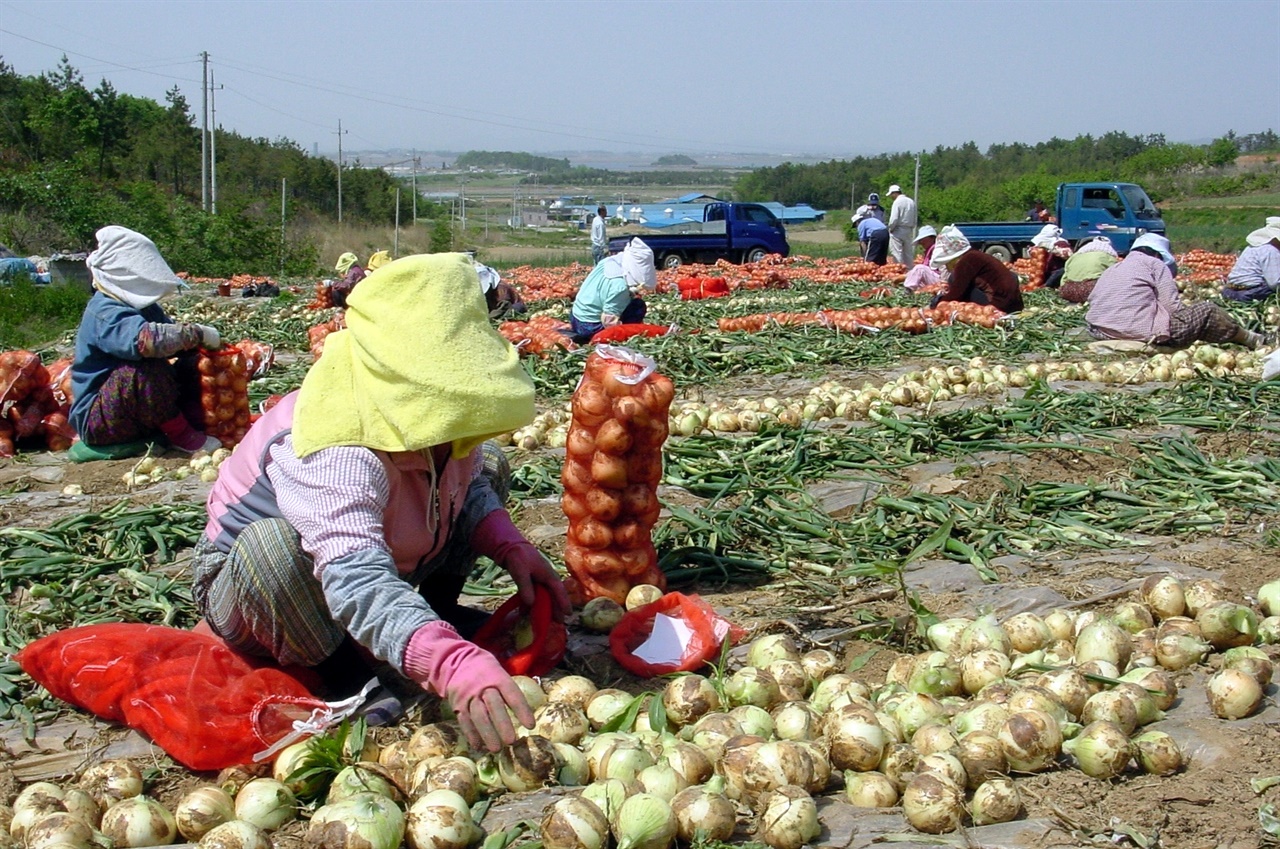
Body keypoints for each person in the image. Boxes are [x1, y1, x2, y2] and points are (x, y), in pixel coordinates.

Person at [191, 253, 571, 752]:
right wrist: (448, 663)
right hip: (265, 592)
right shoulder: (335, 441)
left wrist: (510, 546)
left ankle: (426, 616)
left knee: (490, 462)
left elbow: (467, 484)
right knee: (273, 547)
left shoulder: (428, 413)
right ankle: (342, 671)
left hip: (382, 554)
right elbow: (353, 578)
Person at [68, 226, 223, 455]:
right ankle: (181, 435)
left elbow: (173, 342)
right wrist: (197, 333)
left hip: (134, 414)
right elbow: (147, 342)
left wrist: (201, 349)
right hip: (102, 420)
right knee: (144, 366)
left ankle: (194, 420)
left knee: (192, 360)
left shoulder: (145, 308)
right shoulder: (104, 310)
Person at [1087, 233, 1270, 350]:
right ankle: (1250, 338)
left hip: (1100, 330)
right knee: (1207, 311)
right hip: (1137, 332)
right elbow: (1171, 306)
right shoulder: (1155, 264)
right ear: (1158, 254)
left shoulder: (1115, 268)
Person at [569, 238, 657, 343]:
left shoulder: (608, 262)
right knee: (638, 305)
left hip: (575, 317)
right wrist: (622, 330)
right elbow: (608, 321)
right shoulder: (620, 286)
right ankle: (626, 336)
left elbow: (605, 289)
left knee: (629, 300)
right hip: (588, 326)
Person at [928, 225, 1023, 313]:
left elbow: (957, 293)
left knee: (953, 279)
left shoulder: (967, 260)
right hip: (1013, 304)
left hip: (999, 305)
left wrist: (939, 303)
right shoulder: (976, 255)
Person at [1221, 217, 1280, 302]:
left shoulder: (1252, 247)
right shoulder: (1271, 251)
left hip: (1230, 291)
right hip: (1250, 293)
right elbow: (1275, 283)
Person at [1057, 237, 1118, 304]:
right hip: (1092, 292)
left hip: (1068, 291)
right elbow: (1116, 277)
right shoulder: (1109, 257)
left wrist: (1064, 290)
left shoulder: (1074, 257)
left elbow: (1064, 279)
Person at [886, 185, 918, 268]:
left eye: (891, 195)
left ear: (894, 193)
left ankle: (899, 269)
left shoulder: (897, 202)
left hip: (898, 229)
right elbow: (915, 217)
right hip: (909, 229)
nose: (891, 197)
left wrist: (890, 228)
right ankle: (910, 270)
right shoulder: (911, 201)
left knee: (897, 253)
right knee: (908, 253)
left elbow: (894, 218)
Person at [1031, 224, 1073, 289]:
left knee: (1059, 272)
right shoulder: (1048, 245)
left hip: (1058, 272)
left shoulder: (1061, 243)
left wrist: (1058, 252)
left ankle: (1047, 287)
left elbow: (1069, 256)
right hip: (1049, 271)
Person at [903, 226, 943, 291]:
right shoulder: (929, 250)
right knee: (915, 275)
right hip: (934, 278)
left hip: (941, 279)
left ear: (932, 238)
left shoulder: (936, 249)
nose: (921, 242)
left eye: (923, 239)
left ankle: (907, 291)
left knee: (919, 268)